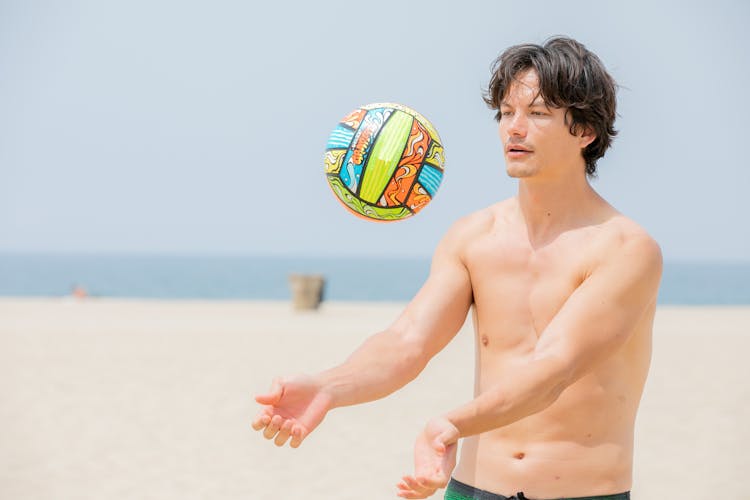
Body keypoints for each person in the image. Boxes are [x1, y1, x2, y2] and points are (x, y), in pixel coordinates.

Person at [252, 36, 662, 500]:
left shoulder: (625, 248)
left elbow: (554, 369)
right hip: (472, 490)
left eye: (539, 113)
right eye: (506, 113)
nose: (515, 128)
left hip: (583, 494)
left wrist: (452, 424)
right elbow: (408, 341)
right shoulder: (474, 237)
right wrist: (328, 386)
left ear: (585, 131)